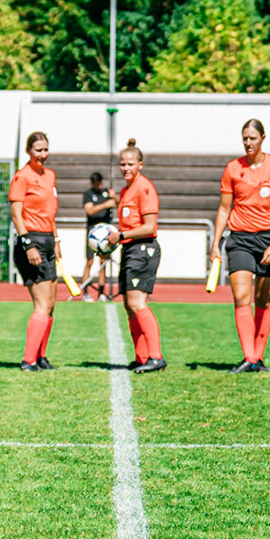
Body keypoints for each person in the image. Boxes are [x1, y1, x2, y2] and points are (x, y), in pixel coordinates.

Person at [213, 119, 270, 373]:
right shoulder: (233, 169)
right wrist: (215, 244)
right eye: (244, 138)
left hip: (268, 239)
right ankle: (248, 357)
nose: (248, 143)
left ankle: (258, 357)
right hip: (240, 240)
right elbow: (224, 209)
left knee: (263, 300)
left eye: (252, 138)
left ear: (263, 138)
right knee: (241, 297)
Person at [106, 140, 164, 372]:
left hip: (144, 248)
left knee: (137, 302)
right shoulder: (125, 190)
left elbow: (149, 227)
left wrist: (121, 235)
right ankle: (141, 358)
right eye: (122, 164)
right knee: (129, 306)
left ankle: (156, 357)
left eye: (130, 164)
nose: (126, 168)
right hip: (130, 249)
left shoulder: (144, 188)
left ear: (140, 164)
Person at [10, 131, 61, 370]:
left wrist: (57, 240)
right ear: (29, 151)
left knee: (50, 304)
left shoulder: (50, 176)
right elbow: (16, 214)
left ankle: (41, 356)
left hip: (49, 241)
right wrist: (27, 242)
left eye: (45, 149)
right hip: (32, 241)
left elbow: (51, 212)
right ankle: (28, 359)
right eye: (38, 150)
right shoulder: (22, 177)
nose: (43, 155)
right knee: (41, 304)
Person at [81, 172, 115, 300]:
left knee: (103, 262)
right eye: (97, 184)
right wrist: (106, 204)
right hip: (93, 233)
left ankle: (101, 292)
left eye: (101, 183)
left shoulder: (107, 192)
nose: (100, 186)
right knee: (89, 261)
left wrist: (114, 197)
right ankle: (85, 292)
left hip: (106, 232)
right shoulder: (88, 194)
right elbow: (90, 210)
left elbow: (117, 201)